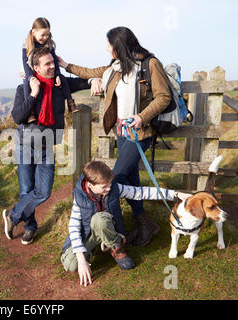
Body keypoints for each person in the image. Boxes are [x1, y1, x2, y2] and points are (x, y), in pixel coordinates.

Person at [58, 26, 172, 246]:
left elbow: (163, 97)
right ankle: (143, 224)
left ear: (119, 46)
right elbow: (91, 72)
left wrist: (141, 117)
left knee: (116, 177)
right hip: (122, 131)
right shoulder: (117, 67)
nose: (107, 48)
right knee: (131, 178)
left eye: (109, 44)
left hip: (140, 131)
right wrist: (66, 65)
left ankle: (114, 231)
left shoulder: (150, 64)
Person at [3, 46, 90, 245]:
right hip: (26, 146)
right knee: (27, 189)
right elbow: (17, 117)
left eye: (53, 62)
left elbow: (79, 82)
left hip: (46, 146)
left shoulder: (59, 85)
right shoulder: (24, 88)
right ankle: (30, 228)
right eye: (48, 64)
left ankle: (12, 216)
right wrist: (33, 94)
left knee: (43, 191)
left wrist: (94, 80)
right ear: (35, 68)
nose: (53, 67)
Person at [61, 160, 191, 286]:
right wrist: (82, 260)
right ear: (90, 185)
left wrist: (176, 194)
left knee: (100, 219)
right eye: (104, 187)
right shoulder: (79, 197)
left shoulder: (114, 188)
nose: (109, 188)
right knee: (72, 265)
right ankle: (92, 250)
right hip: (89, 234)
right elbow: (74, 226)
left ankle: (116, 249)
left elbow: (142, 193)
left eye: (110, 184)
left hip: (108, 228)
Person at [21, 17, 79, 124]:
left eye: (47, 34)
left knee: (62, 79)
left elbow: (54, 61)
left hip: (46, 70)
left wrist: (57, 74)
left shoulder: (49, 43)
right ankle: (31, 113)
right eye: (42, 35)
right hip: (31, 70)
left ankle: (70, 102)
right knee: (25, 84)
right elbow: (25, 62)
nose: (45, 37)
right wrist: (30, 77)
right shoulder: (27, 44)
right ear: (33, 32)